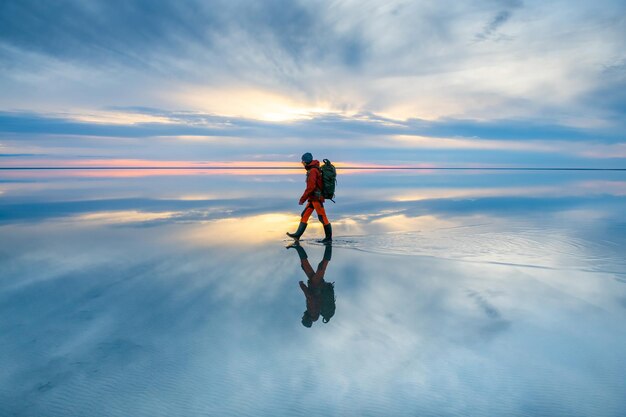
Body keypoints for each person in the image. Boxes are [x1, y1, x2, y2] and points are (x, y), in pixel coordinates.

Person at [286, 152, 332, 243]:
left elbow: (310, 187)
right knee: (305, 215)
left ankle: (328, 238)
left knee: (322, 217)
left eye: (302, 161)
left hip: (316, 198)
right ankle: (297, 235)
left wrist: (302, 199)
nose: (301, 162)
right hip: (312, 198)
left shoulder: (313, 171)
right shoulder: (312, 169)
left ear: (306, 161)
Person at [287, 243, 335, 327]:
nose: (302, 317)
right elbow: (310, 297)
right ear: (307, 320)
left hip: (315, 284)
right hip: (317, 285)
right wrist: (302, 286)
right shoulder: (312, 313)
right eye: (303, 318)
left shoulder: (313, 314)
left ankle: (297, 246)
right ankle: (329, 245)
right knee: (322, 265)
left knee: (305, 266)